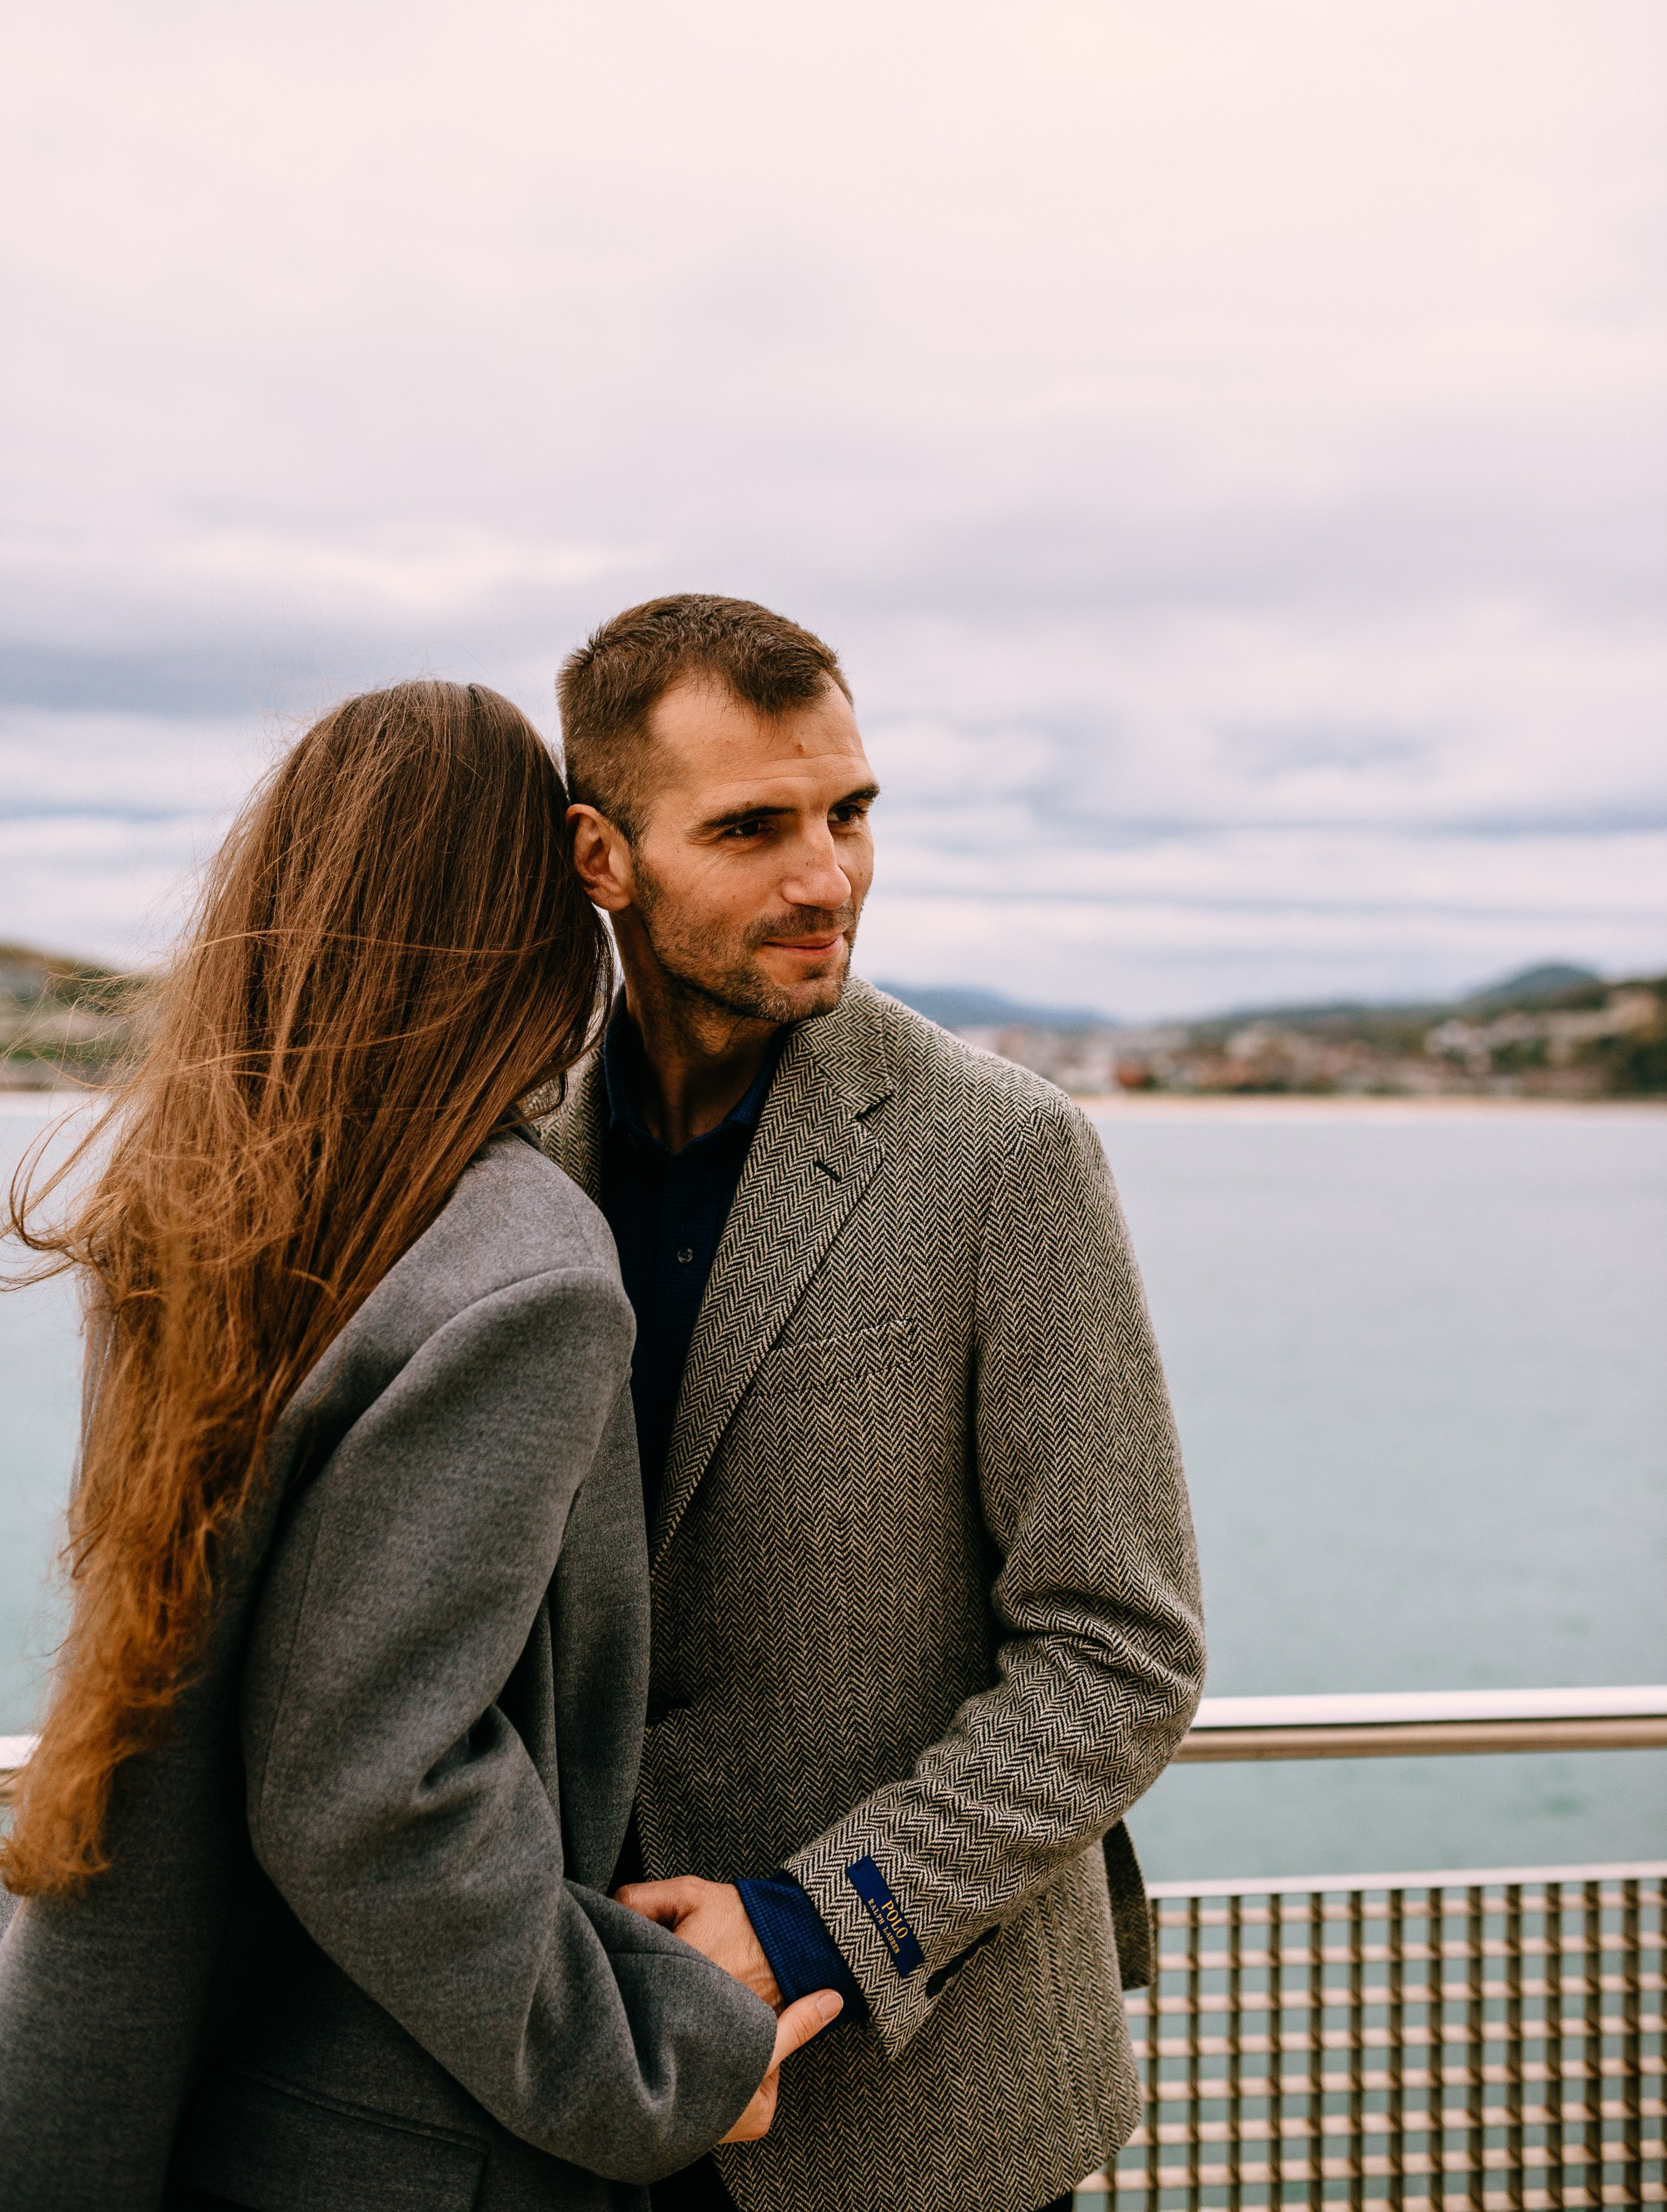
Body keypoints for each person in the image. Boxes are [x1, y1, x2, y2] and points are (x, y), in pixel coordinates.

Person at [0, 679, 838, 2212]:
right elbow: (374, 1792)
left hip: (208, 2087)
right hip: (413, 2143)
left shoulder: (198, 1218)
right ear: (541, 915)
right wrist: (660, 2062)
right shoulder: (520, 1273)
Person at [541, 597, 1207, 2212]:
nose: (823, 877)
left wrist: (808, 1924)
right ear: (599, 859)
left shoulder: (1004, 1157)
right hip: (576, 2093)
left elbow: (1120, 1647)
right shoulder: (512, 1152)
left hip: (923, 2122)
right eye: (752, 827)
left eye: (847, 814)